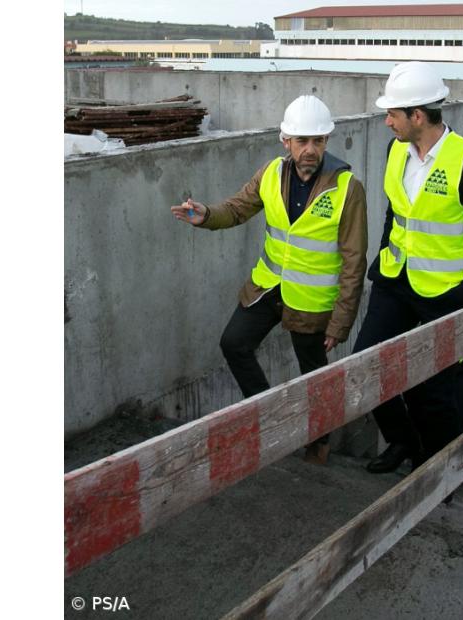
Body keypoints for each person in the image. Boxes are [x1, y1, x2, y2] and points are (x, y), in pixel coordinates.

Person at [170, 95, 367, 466]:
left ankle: (319, 443)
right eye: (302, 141)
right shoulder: (271, 173)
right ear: (285, 141)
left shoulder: (347, 188)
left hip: (311, 301)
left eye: (318, 141)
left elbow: (355, 261)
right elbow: (237, 208)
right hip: (268, 288)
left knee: (313, 375)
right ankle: (269, 416)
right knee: (234, 343)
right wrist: (207, 215)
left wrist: (341, 321)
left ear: (327, 141)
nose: (310, 150)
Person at [357, 61, 463, 474]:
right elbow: (396, 213)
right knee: (367, 362)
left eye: (393, 114)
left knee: (435, 390)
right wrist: (385, 253)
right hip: (395, 279)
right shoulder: (395, 150)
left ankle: (435, 469)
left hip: (445, 292)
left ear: (418, 116)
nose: (387, 122)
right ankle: (402, 439)